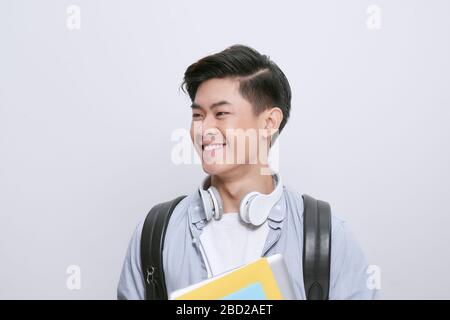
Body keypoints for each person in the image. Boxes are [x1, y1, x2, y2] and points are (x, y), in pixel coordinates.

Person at [117, 44, 379, 300]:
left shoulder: (326, 236)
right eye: (198, 115)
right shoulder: (154, 233)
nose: (204, 129)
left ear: (268, 122)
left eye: (221, 113)